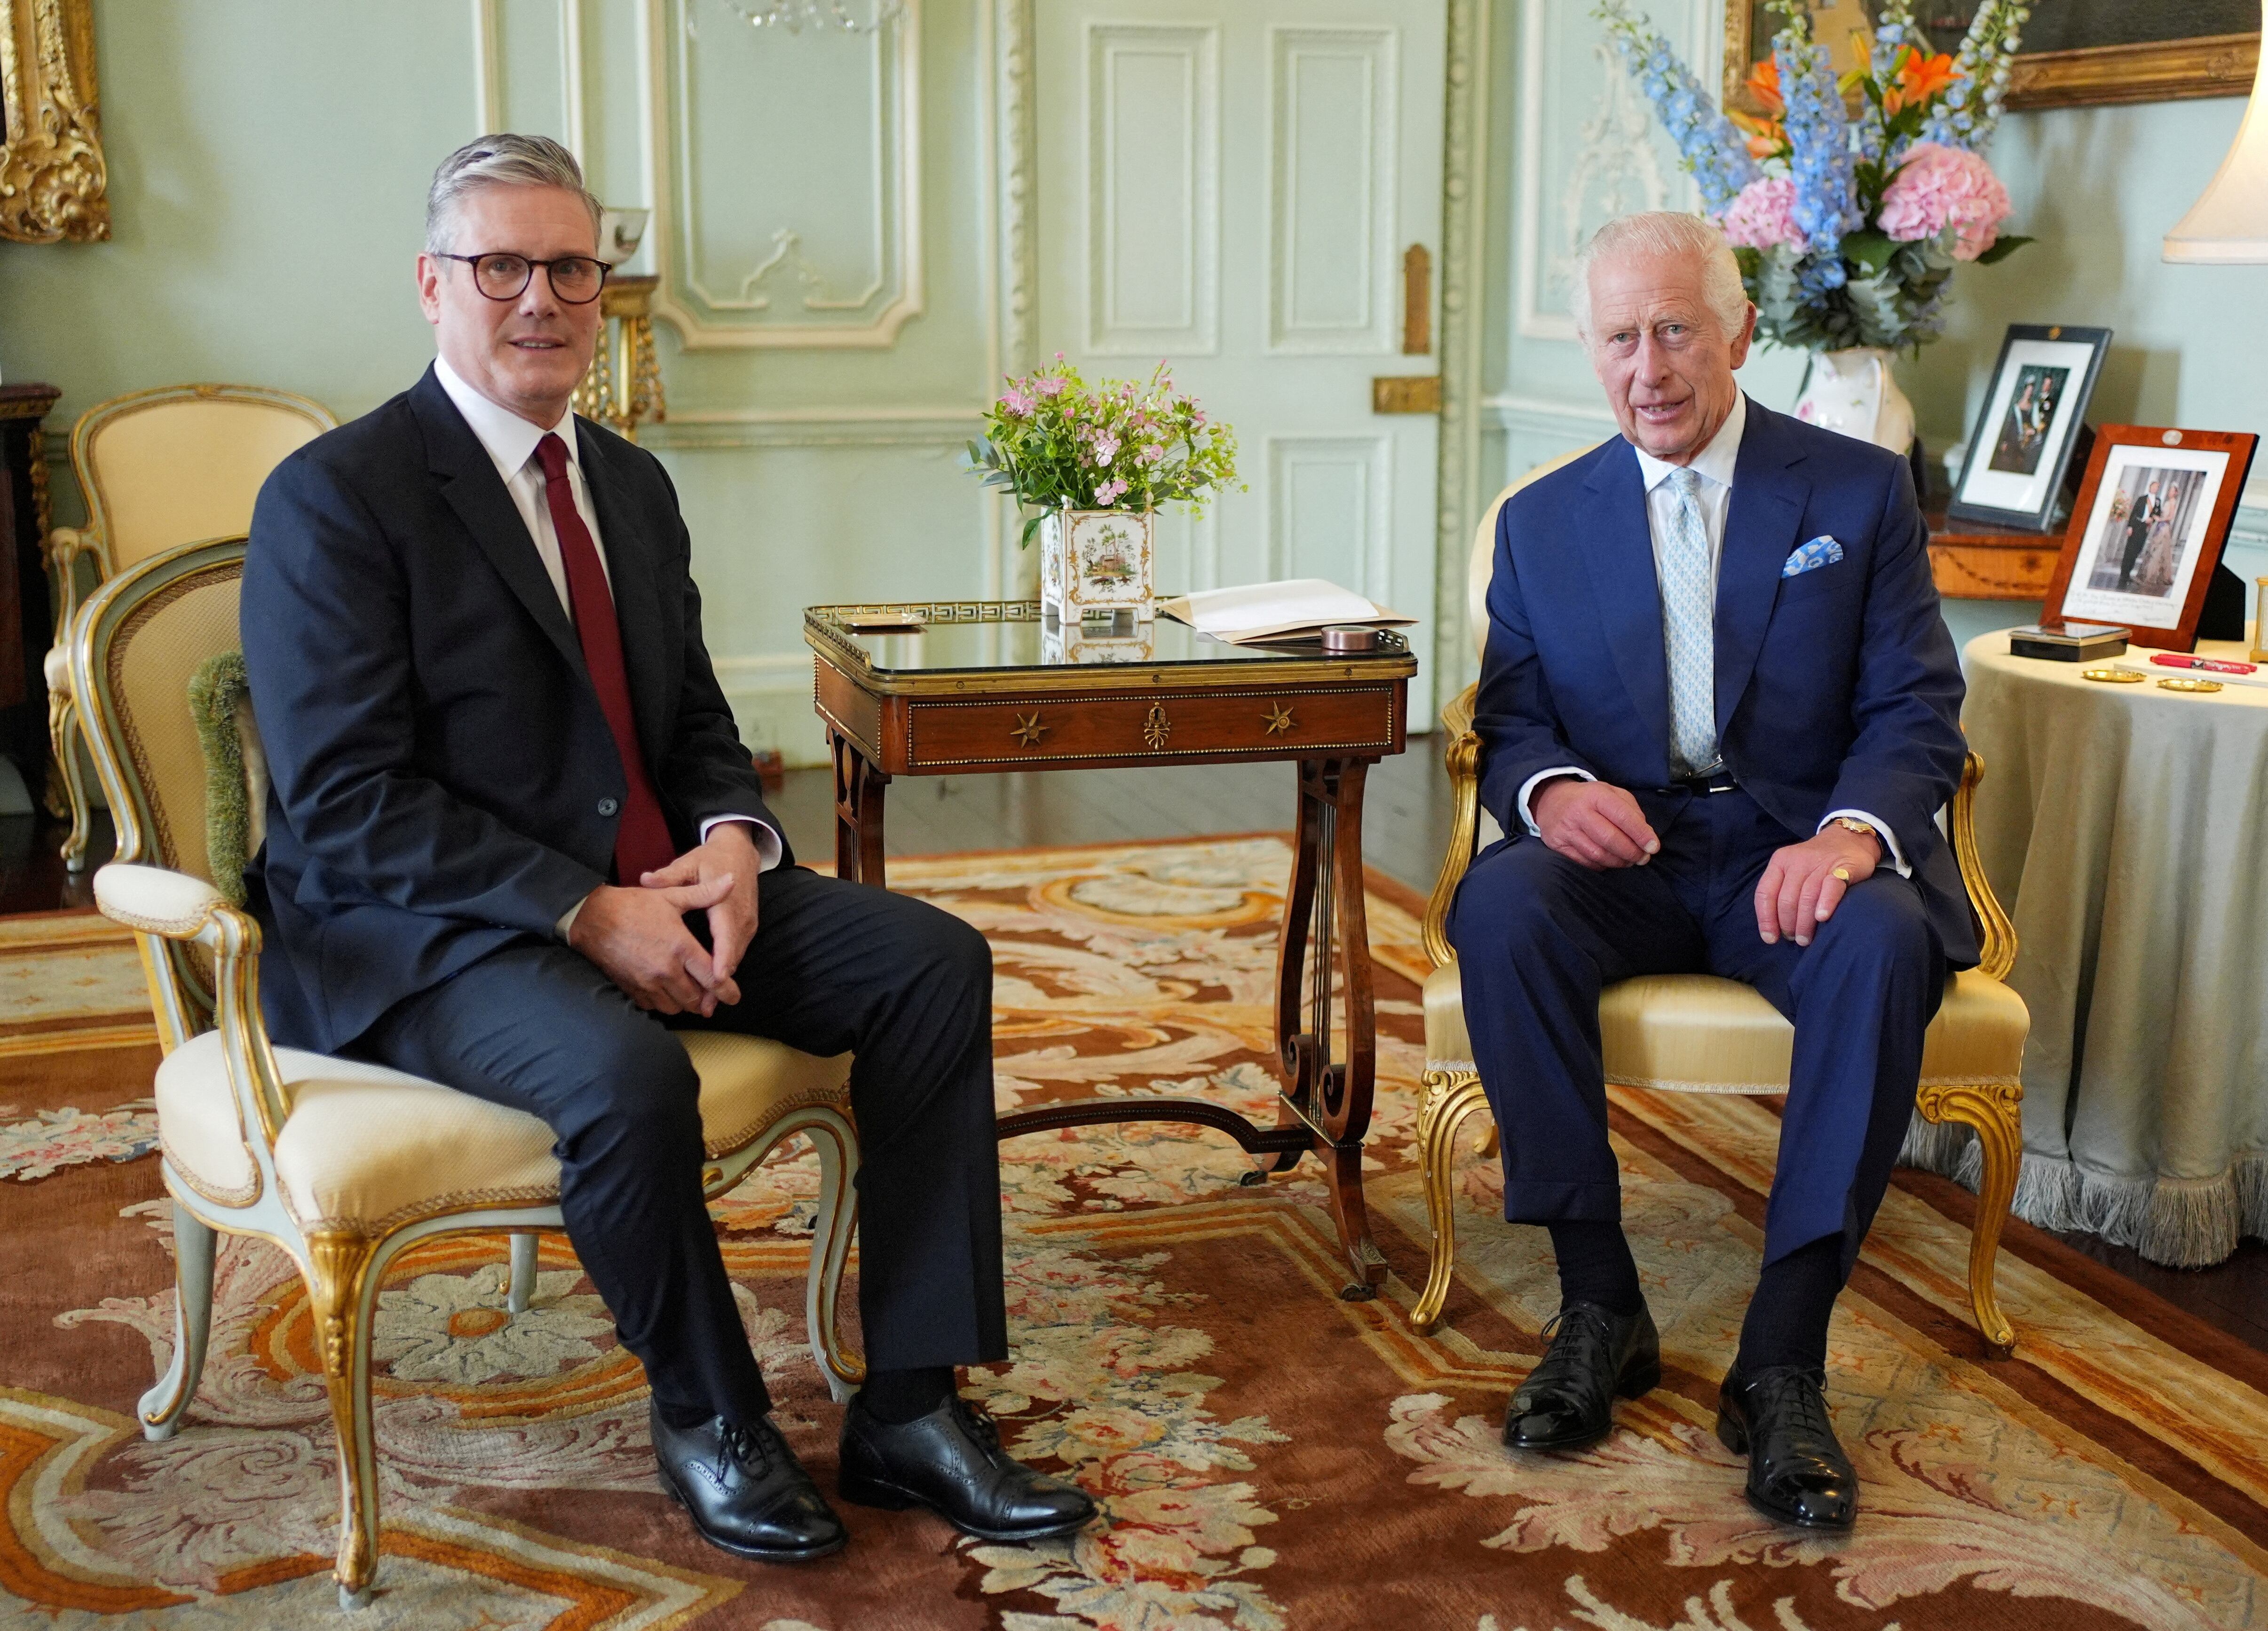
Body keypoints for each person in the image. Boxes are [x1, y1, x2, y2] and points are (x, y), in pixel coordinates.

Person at [241, 134, 1095, 1568]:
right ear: (430, 285)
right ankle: (710, 1416)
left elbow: (695, 719)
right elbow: (343, 801)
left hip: (640, 884)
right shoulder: (338, 496)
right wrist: (586, 910)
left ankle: (909, 1402)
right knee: (624, 1075)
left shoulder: (627, 485)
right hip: (429, 927)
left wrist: (730, 848)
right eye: (499, 265)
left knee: (930, 962)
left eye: (570, 266)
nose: (539, 297)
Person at [1450, 212, 1974, 1531]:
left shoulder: (1852, 494)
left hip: (1793, 850)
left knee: (1882, 938)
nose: (1649, 367)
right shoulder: (1537, 520)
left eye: (1674, 329)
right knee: (1500, 900)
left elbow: (1913, 707)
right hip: (1625, 852)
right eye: (1619, 338)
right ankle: (1596, 1302)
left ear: (1736, 331)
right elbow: (1507, 719)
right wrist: (1549, 790)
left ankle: (1780, 1356)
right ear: (1589, 351)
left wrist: (1851, 835)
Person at [2118, 480, 2165, 591]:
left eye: (2157, 488)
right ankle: (2123, 576)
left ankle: (2128, 574)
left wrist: (2152, 519)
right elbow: (2133, 513)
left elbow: (2158, 514)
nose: (2155, 489)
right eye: (2153, 487)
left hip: (2145, 529)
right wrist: (2130, 527)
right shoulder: (2142, 499)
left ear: (2158, 489)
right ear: (2150, 488)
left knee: (2137, 552)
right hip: (2136, 526)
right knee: (2129, 551)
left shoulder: (2158, 501)